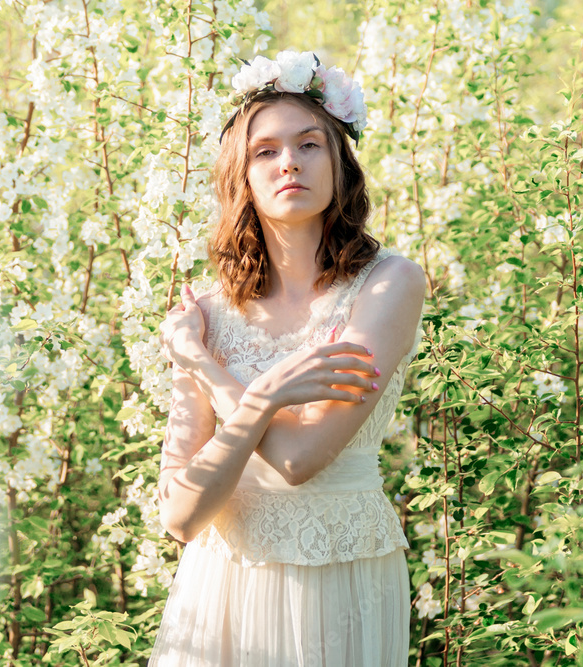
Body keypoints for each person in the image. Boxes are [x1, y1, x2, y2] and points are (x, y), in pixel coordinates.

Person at [149, 51, 426, 666]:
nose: (289, 163)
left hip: (337, 574)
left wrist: (208, 370)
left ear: (340, 165)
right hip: (222, 584)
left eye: (309, 145)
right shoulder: (207, 315)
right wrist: (260, 391)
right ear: (241, 176)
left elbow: (300, 460)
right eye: (265, 151)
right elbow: (182, 517)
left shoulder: (387, 285)